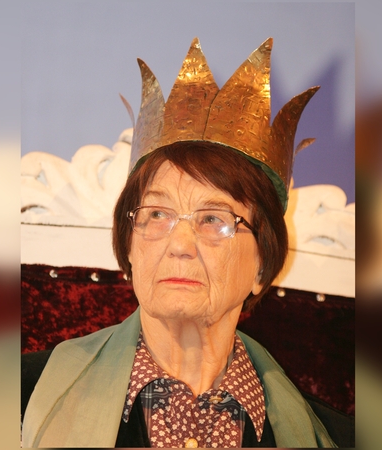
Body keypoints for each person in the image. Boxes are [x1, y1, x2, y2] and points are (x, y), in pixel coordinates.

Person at [22, 37, 337, 448]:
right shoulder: (18, 400)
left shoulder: (335, 436)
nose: (180, 244)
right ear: (130, 248)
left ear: (262, 264)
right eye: (157, 214)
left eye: (213, 219)